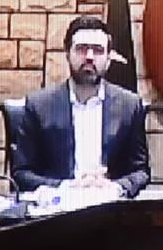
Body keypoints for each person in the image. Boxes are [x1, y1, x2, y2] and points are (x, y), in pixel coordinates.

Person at [12, 16, 149, 198]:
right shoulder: (38, 106)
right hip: (58, 208)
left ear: (109, 58)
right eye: (82, 49)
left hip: (110, 206)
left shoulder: (130, 106)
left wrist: (116, 187)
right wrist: (66, 187)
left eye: (98, 50)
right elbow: (21, 173)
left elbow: (141, 171)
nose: (89, 57)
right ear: (67, 53)